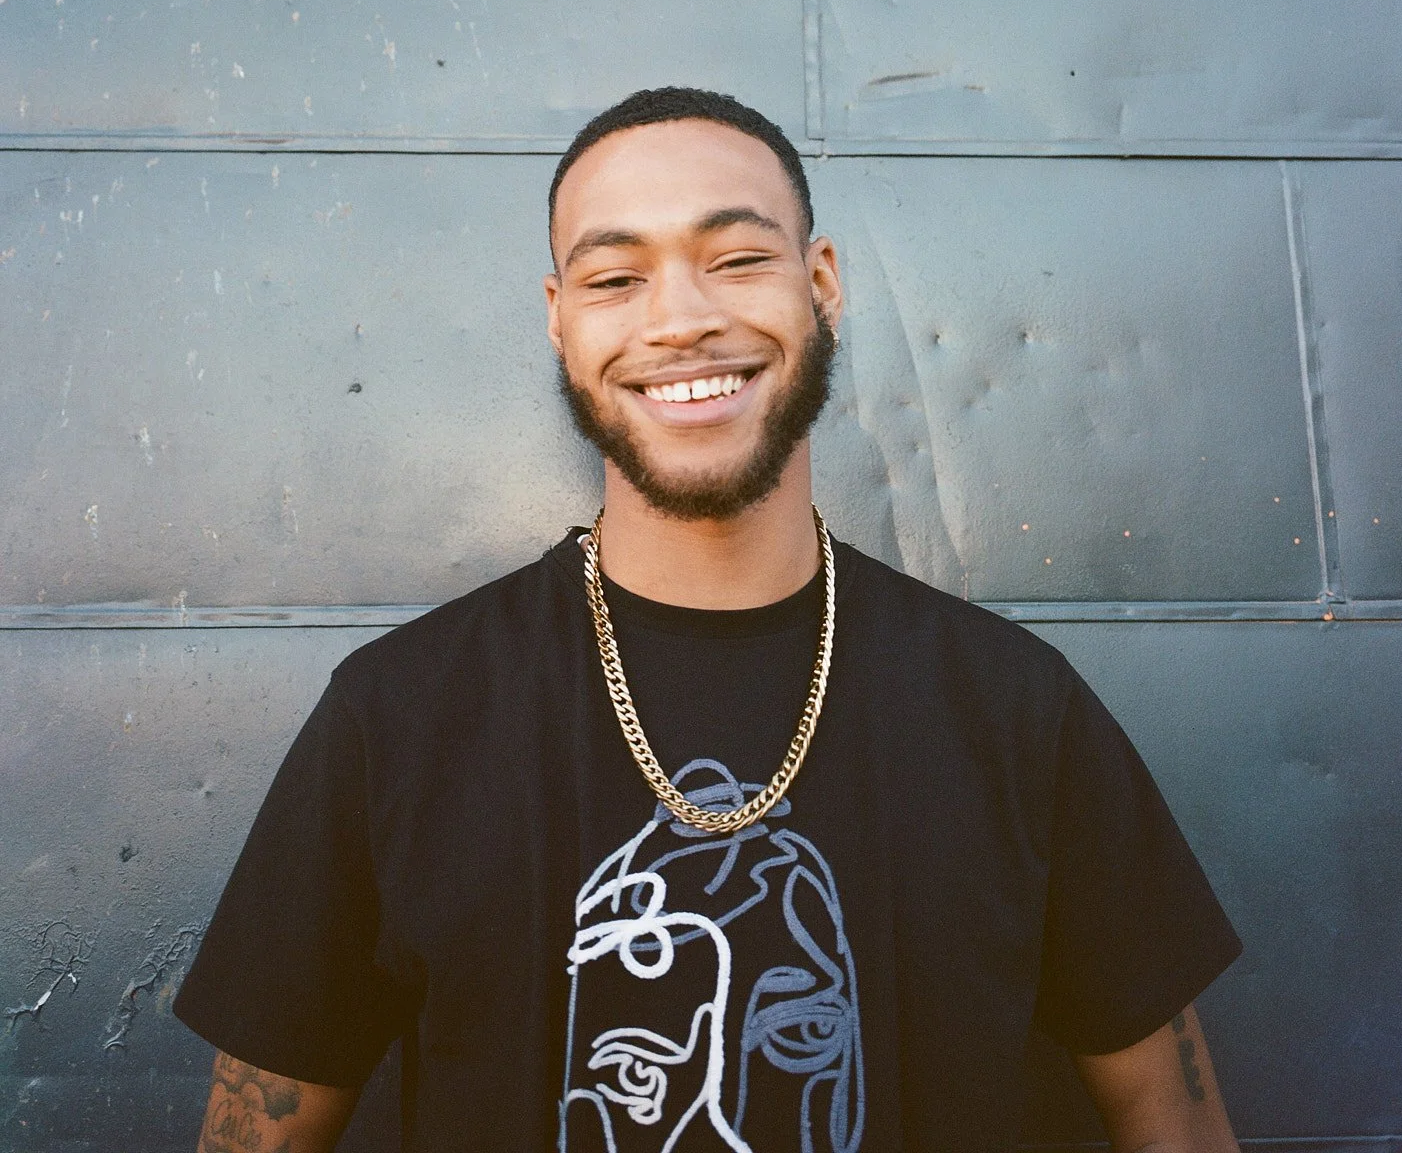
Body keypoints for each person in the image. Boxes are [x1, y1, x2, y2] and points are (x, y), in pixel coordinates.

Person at [176, 86, 1243, 1152]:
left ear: (820, 282)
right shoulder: (398, 718)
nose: (680, 317)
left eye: (735, 259)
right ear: (560, 317)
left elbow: (1173, 1121)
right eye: (615, 277)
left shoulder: (1015, 709)